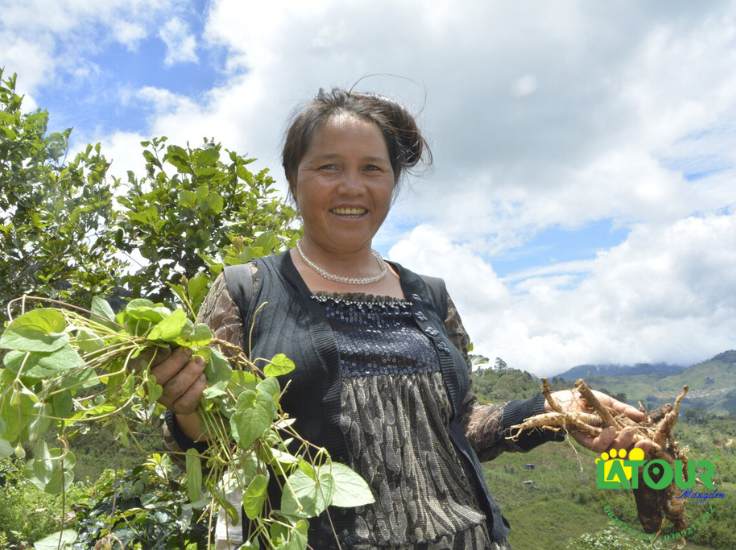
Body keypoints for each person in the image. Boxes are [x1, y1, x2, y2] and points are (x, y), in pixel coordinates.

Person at [143, 88, 649, 549]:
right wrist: (188, 410)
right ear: (293, 181)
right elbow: (208, 449)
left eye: (372, 169)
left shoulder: (430, 295)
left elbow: (463, 425)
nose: (351, 187)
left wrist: (552, 410)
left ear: (392, 183)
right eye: (328, 167)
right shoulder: (246, 291)